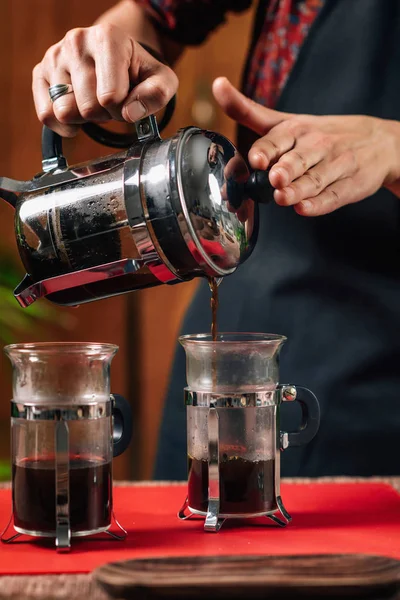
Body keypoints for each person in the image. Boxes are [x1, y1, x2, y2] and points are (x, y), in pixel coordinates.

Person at [33, 0, 400, 479]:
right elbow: (154, 18)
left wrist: (390, 146)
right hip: (234, 316)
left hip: (375, 369)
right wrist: (104, 57)